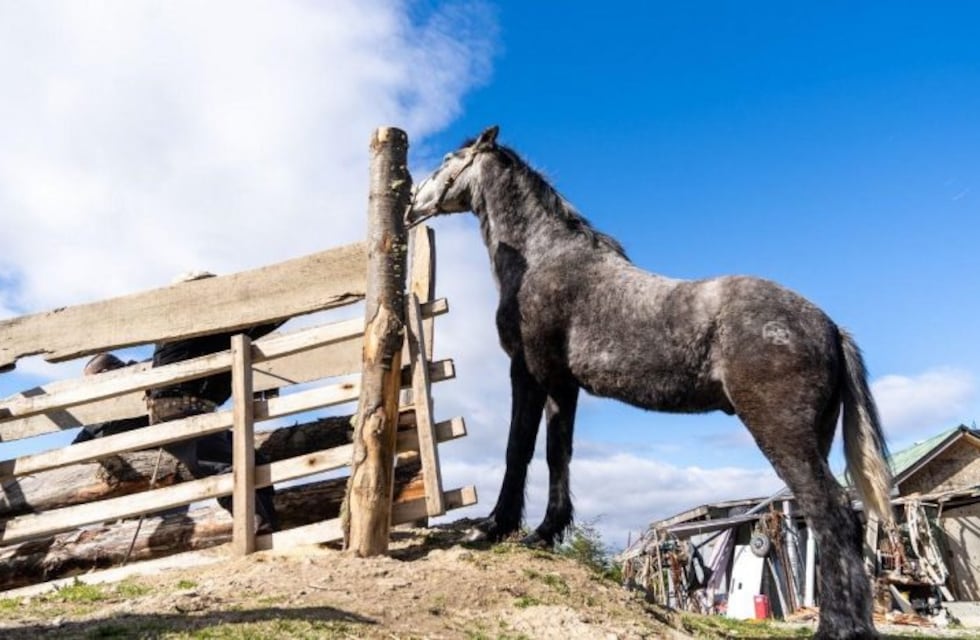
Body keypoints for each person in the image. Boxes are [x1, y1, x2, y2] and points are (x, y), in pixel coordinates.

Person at [146, 271, 284, 534]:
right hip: (179, 413)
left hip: (195, 412)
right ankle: (256, 527)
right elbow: (251, 327)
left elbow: (247, 329)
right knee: (225, 466)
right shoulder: (191, 320)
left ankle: (267, 524)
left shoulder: (197, 323)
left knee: (254, 460)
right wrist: (286, 306)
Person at [72, 353, 149, 443]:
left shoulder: (146, 371)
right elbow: (87, 433)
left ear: (105, 373)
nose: (92, 387)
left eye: (91, 381)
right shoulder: (106, 405)